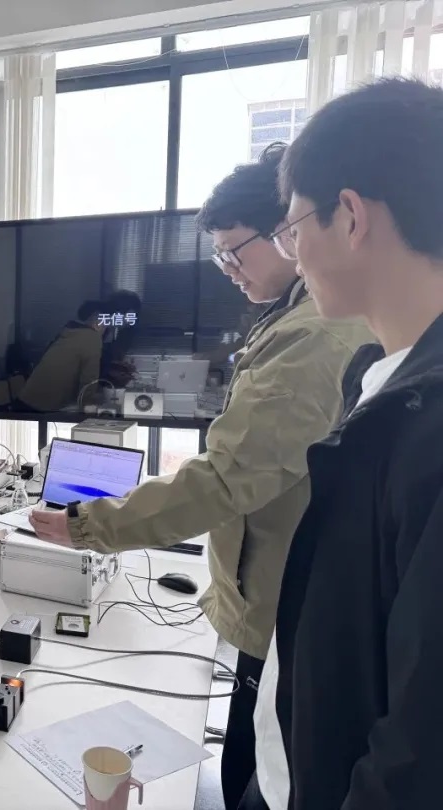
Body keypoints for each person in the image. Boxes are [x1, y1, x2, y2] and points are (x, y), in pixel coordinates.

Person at [28, 143, 374, 810]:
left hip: (284, 608)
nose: (228, 271)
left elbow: (225, 479)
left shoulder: (315, 336)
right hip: (269, 596)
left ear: (289, 229)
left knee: (258, 774)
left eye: (234, 253)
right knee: (249, 760)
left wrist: (88, 526)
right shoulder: (292, 317)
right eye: (220, 258)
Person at [248, 77, 443, 810]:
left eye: (295, 228)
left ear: (352, 216)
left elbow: (421, 747)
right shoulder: (379, 380)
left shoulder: (427, 422)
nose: (294, 255)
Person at [17, 300, 107, 411]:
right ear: (98, 321)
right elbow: (89, 382)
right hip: (41, 409)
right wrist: (89, 406)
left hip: (26, 400)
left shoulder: (69, 332)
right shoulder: (92, 338)